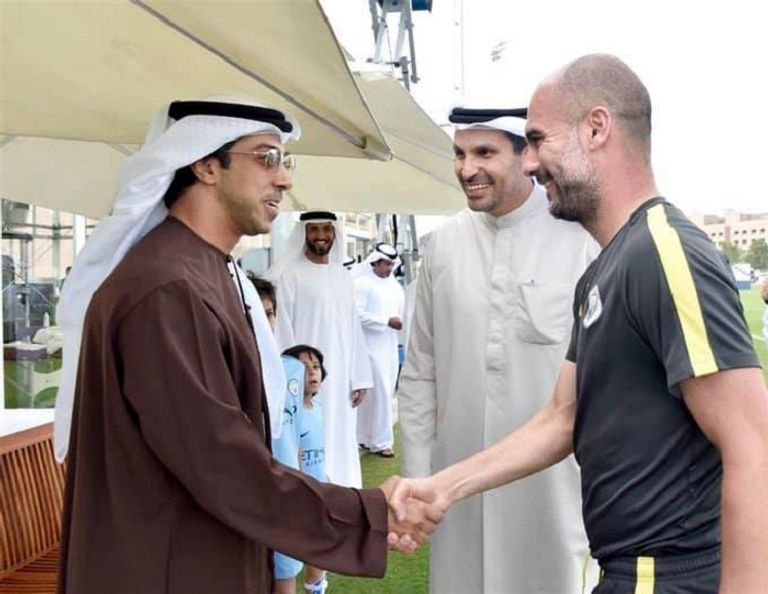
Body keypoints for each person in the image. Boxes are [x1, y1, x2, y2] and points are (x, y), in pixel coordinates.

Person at [391, 54, 768, 593]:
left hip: (666, 575)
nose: (530, 163)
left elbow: (753, 445)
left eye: (538, 140)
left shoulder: (664, 251)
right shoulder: (607, 265)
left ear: (596, 129)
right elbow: (561, 417)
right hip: (624, 573)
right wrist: (444, 487)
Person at [54, 97, 440, 594]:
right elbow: (221, 462)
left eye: (286, 161)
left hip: (203, 549)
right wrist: (368, 514)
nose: (284, 180)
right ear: (205, 165)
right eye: (266, 158)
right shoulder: (169, 288)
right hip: (170, 564)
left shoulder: (204, 270)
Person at [396, 106, 598, 593]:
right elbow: (421, 372)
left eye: (485, 153)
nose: (468, 169)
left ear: (528, 156)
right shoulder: (442, 247)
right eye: (459, 154)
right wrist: (418, 480)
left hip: (555, 491)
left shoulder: (583, 241)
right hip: (457, 485)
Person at [266, 212, 372, 487]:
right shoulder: (289, 276)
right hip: (306, 378)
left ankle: (345, 491)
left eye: (326, 229)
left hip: (340, 379)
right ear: (304, 233)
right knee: (310, 438)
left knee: (340, 436)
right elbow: (281, 331)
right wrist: (293, 378)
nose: (321, 236)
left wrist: (360, 377)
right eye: (314, 229)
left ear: (335, 233)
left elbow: (354, 327)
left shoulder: (343, 276)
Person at [249, 276, 310, 594]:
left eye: (269, 314)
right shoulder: (225, 369)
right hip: (247, 497)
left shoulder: (293, 370)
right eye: (255, 314)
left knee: (286, 574)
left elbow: (296, 432)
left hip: (286, 493)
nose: (264, 322)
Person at [282, 344, 332, 594]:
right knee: (290, 555)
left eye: (316, 366)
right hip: (299, 494)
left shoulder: (317, 409)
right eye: (303, 367)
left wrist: (325, 476)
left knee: (319, 550)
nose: (312, 372)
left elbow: (317, 448)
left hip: (318, 491)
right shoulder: (289, 415)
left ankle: (316, 587)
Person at [354, 243, 405, 458]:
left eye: (392, 264)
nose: (390, 268)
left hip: (389, 346)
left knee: (384, 392)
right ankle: (382, 442)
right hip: (368, 347)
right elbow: (356, 314)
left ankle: (366, 437)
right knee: (380, 392)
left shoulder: (395, 286)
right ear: (375, 261)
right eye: (386, 264)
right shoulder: (362, 284)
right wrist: (385, 321)